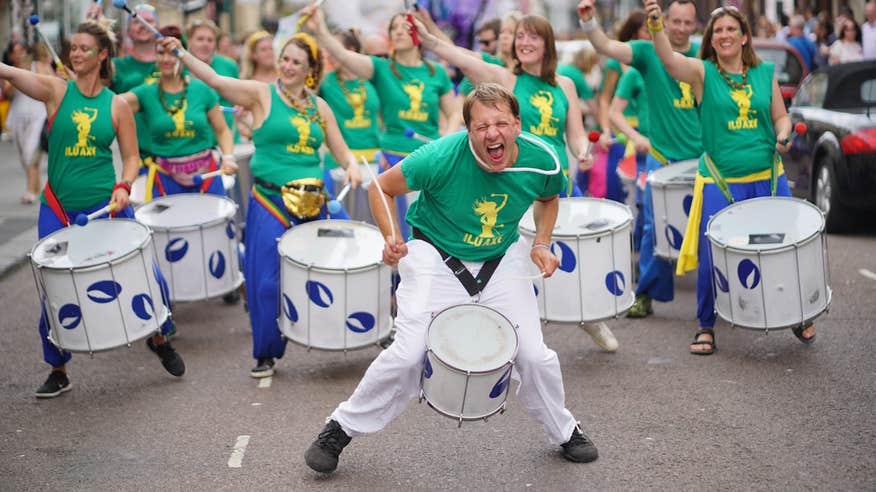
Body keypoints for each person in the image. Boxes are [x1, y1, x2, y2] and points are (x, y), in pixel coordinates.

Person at [304, 83, 600, 473]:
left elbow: (548, 198)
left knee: (533, 353)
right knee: (409, 353)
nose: (492, 134)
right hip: (434, 254)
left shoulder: (542, 159)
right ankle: (339, 428)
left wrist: (541, 242)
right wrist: (392, 238)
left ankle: (565, 431)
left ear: (516, 123)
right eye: (481, 127)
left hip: (501, 257)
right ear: (468, 131)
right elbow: (381, 187)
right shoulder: (440, 156)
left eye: (500, 123)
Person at [159, 32, 363, 378]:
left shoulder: (319, 106)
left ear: (310, 69)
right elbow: (215, 80)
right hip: (270, 200)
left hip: (314, 201)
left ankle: (344, 333)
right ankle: (267, 351)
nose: (287, 66)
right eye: (285, 58)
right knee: (266, 281)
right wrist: (181, 54)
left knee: (332, 270)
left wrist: (352, 166)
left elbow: (341, 150)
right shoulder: (261, 94)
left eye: (297, 62)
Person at [414, 13, 620, 353]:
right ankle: (513, 340)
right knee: (514, 265)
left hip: (552, 181)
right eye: (520, 36)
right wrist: (431, 40)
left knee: (568, 257)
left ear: (547, 44)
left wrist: (583, 152)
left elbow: (576, 135)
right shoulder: (505, 79)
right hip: (511, 185)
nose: (524, 42)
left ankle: (589, 316)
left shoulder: (565, 85)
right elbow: (462, 58)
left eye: (532, 37)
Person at [0, 19, 184, 398]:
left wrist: (123, 185)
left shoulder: (117, 105)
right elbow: (10, 72)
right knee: (53, 289)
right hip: (59, 208)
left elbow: (131, 157)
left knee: (148, 278)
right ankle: (58, 368)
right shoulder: (55, 91)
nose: (76, 53)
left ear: (102, 55)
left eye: (85, 48)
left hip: (107, 206)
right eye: (73, 48)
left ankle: (159, 338)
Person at [641, 2, 816, 353]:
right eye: (717, 30)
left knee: (783, 246)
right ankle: (706, 325)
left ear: (745, 36)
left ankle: (797, 312)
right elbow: (669, 61)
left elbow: (780, 117)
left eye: (730, 29)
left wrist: (783, 135)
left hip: (767, 176)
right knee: (714, 252)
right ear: (711, 39)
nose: (723, 35)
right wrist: (656, 25)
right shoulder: (702, 73)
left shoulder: (765, 73)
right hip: (721, 180)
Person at [578, 0, 703, 319]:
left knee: (711, 226)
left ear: (695, 24)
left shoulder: (706, 52)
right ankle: (647, 293)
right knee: (653, 226)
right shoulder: (647, 53)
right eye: (675, 21)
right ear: (664, 21)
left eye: (688, 22)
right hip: (662, 157)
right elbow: (605, 46)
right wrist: (590, 22)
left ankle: (720, 296)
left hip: (705, 160)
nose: (681, 28)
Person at [303, 7, 458, 241]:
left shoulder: (436, 73)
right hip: (393, 159)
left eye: (403, 27)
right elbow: (344, 56)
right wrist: (321, 31)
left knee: (429, 230)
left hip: (428, 158)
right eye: (392, 28)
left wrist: (447, 136)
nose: (397, 32)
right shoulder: (382, 68)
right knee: (396, 231)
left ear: (418, 33)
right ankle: (394, 275)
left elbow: (455, 111)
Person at [120, 25, 237, 199]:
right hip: (165, 180)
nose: (166, 59)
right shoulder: (145, 93)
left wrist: (228, 157)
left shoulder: (202, 89)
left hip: (207, 177)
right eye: (161, 53)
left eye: (172, 53)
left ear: (182, 55)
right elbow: (111, 104)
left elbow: (221, 130)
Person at [592, 9, 651, 203]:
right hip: (622, 134)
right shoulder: (616, 63)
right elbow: (604, 99)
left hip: (647, 135)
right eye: (646, 30)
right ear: (634, 32)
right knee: (620, 194)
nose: (651, 33)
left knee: (646, 195)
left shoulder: (659, 60)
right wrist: (606, 130)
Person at [318, 29, 382, 197]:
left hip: (374, 161)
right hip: (338, 165)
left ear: (351, 50)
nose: (329, 55)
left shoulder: (372, 78)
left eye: (334, 49)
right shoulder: (324, 81)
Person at [2, 41, 51, 204]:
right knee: (24, 156)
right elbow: (8, 93)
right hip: (18, 117)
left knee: (31, 152)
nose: (20, 54)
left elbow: (51, 85)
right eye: (15, 51)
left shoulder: (39, 66)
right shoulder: (9, 72)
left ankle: (30, 192)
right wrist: (19, 74)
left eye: (21, 50)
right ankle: (36, 188)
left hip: (38, 115)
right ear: (11, 56)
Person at [109, 3, 161, 160]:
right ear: (128, 31)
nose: (142, 25)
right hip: (134, 159)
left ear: (158, 29)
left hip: (173, 156)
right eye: (136, 21)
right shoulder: (116, 66)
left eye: (148, 21)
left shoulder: (173, 65)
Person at [186, 19, 241, 142]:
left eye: (210, 40)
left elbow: (240, 99)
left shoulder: (229, 65)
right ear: (189, 42)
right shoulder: (179, 69)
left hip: (228, 140)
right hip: (193, 142)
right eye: (200, 39)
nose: (205, 44)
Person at [237, 30, 275, 140]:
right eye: (263, 50)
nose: (269, 53)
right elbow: (240, 119)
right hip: (254, 140)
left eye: (271, 48)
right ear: (254, 55)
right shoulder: (245, 83)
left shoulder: (284, 79)